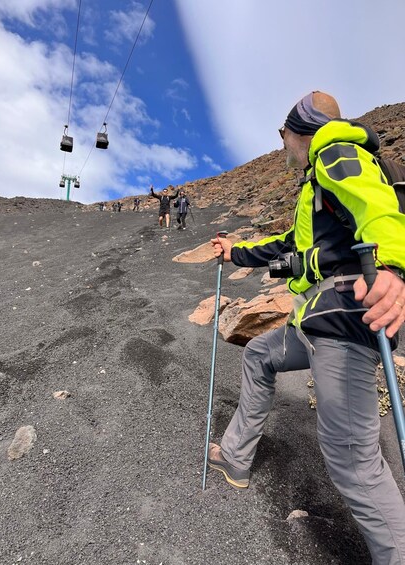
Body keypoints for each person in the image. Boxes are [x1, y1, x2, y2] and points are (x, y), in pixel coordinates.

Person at [209, 91, 405, 562]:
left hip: (345, 316)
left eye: (282, 134)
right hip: (315, 319)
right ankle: (236, 459)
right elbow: (294, 253)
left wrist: (394, 268)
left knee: (354, 462)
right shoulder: (314, 181)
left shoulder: (337, 152)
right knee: (259, 355)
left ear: (300, 130)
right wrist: (235, 252)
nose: (281, 144)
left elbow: (378, 207)